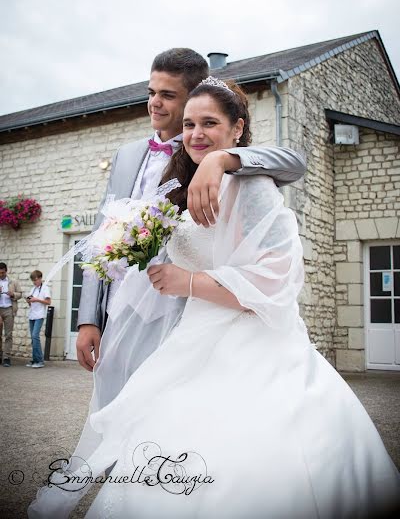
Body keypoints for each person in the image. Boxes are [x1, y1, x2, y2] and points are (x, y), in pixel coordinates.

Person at [28, 79, 400, 519]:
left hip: (251, 346)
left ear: (237, 129)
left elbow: (273, 284)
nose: (196, 133)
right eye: (189, 124)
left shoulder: (255, 186)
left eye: (210, 123)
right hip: (193, 337)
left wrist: (187, 282)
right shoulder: (185, 189)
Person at [76, 47, 306, 376]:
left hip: (188, 314)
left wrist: (221, 159)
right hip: (122, 309)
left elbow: (294, 163)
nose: (155, 102)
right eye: (151, 92)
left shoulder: (219, 161)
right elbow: (101, 237)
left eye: (168, 95)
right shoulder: (127, 155)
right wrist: (88, 319)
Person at [26, 270, 51, 368]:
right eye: (33, 281)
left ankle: (40, 361)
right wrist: (29, 301)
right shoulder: (33, 289)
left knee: (35, 336)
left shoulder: (45, 288)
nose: (34, 282)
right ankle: (35, 360)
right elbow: (31, 302)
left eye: (36, 280)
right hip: (32, 315)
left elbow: (48, 302)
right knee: (33, 338)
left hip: (39, 315)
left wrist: (36, 299)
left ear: (40, 278)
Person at [0, 262, 22, 367]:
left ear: (6, 271)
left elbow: (20, 294)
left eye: (2, 273)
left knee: (8, 334)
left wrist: (13, 294)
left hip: (9, 309)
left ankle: (6, 357)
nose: (1, 275)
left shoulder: (13, 281)